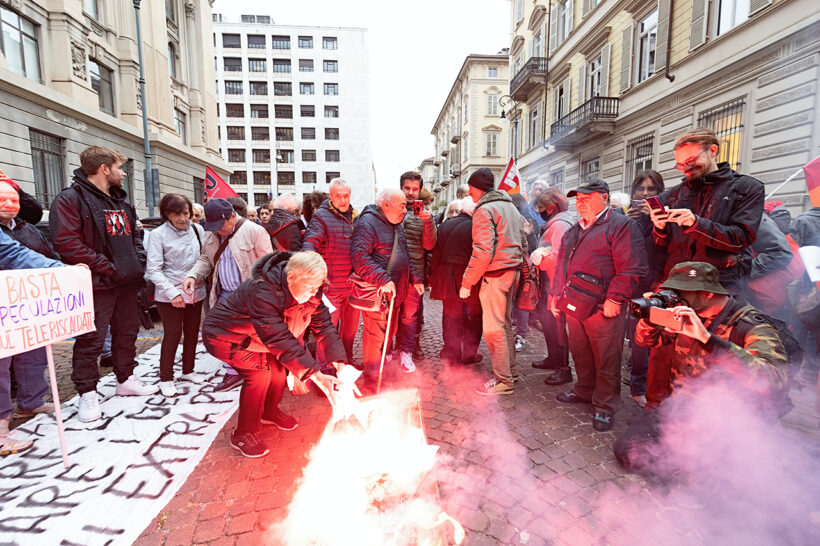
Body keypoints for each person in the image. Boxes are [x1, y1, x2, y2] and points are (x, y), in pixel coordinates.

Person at [614, 262, 789, 475]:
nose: (675, 297)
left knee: (704, 478)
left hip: (725, 420)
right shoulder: (685, 310)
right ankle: (679, 464)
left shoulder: (751, 325)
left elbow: (773, 379)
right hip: (681, 406)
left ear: (707, 294)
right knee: (628, 451)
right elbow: (645, 341)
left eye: (681, 292)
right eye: (672, 291)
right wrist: (651, 317)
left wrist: (708, 339)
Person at [202, 251, 346, 458]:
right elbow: (279, 339)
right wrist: (316, 374)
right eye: (309, 288)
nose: (314, 293)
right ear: (291, 277)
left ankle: (269, 412)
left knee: (279, 369)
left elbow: (324, 326)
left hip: (258, 338)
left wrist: (340, 363)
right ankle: (243, 433)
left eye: (317, 288)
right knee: (259, 374)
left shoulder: (311, 291)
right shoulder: (263, 291)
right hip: (226, 335)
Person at [50, 146, 156, 423]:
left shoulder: (122, 202)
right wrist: (107, 267)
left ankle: (126, 379)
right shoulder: (70, 199)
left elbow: (135, 237)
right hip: (97, 285)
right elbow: (66, 243)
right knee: (91, 341)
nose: (123, 173)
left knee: (127, 333)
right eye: (119, 167)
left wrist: (137, 262)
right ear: (104, 169)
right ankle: (87, 393)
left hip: (127, 283)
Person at [550, 179, 647, 431]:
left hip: (604, 305)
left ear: (605, 198)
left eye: (587, 198)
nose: (580, 203)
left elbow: (632, 267)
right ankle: (584, 389)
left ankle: (605, 404)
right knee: (580, 351)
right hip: (575, 301)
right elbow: (562, 265)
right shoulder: (574, 230)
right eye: (578, 199)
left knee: (606, 357)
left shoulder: (622, 225)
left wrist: (616, 298)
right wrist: (555, 294)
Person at [650, 128, 765, 294]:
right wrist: (660, 229)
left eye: (691, 160)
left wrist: (696, 224)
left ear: (712, 150)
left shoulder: (747, 188)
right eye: (680, 165)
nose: (686, 168)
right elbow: (660, 248)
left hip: (719, 287)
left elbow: (740, 239)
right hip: (676, 283)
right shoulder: (673, 194)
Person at [184, 198, 272, 392]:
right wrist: (193, 275)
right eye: (213, 226)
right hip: (224, 294)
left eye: (221, 226)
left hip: (249, 295)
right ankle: (232, 371)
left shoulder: (255, 231)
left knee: (252, 335)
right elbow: (206, 258)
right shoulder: (211, 232)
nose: (218, 231)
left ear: (232, 216)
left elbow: (267, 266)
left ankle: (258, 371)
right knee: (225, 335)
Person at [460, 168, 527, 395]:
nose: (469, 192)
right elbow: (523, 242)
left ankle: (503, 380)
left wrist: (467, 282)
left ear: (479, 188)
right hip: (512, 272)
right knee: (505, 325)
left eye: (471, 188)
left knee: (493, 330)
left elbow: (482, 251)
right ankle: (510, 372)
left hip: (496, 275)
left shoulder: (484, 210)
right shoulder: (511, 207)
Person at [0, 180, 59, 422]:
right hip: (4, 305)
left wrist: (61, 267)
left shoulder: (27, 227)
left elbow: (46, 251)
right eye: (2, 199)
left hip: (29, 303)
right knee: (2, 362)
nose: (9, 204)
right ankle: (2, 421)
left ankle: (31, 402)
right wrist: (62, 269)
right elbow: (15, 254)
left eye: (14, 200)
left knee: (35, 352)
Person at [351, 188, 423, 386]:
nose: (405, 210)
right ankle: (372, 381)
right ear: (386, 205)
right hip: (378, 293)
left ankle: (381, 372)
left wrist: (415, 278)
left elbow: (404, 254)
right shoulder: (367, 223)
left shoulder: (396, 223)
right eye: (402, 206)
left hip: (395, 292)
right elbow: (359, 257)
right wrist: (382, 279)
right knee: (375, 338)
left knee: (388, 334)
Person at [146, 194, 207, 397]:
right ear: (167, 214)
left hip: (195, 291)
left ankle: (188, 370)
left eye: (186, 213)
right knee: (172, 335)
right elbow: (153, 269)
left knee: (192, 333)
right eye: (176, 214)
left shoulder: (197, 230)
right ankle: (166, 377)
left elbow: (203, 258)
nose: (182, 219)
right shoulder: (158, 235)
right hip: (169, 293)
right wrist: (173, 293)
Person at [302, 178, 360, 362]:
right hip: (330, 288)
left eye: (346, 196)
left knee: (349, 331)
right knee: (327, 332)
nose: (343, 200)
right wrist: (316, 275)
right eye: (338, 196)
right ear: (330, 196)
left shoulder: (356, 217)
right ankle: (325, 368)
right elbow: (309, 245)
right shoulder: (321, 217)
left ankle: (346, 363)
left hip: (352, 287)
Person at [624, 170, 666, 406]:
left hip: (659, 282)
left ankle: (655, 384)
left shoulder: (665, 215)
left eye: (651, 189)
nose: (645, 194)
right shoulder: (627, 217)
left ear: (660, 192)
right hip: (635, 286)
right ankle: (638, 385)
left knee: (658, 339)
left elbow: (663, 247)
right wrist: (627, 222)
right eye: (641, 189)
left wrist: (655, 221)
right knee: (638, 337)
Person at [430, 196, 482, 366]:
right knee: (474, 317)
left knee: (450, 316)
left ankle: (452, 354)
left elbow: (436, 255)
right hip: (468, 277)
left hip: (447, 277)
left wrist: (433, 278)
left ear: (461, 210)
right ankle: (469, 354)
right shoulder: (476, 226)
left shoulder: (445, 225)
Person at [529, 188, 573, 379]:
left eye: (542, 208)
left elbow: (558, 258)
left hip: (555, 282)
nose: (540, 212)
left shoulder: (560, 224)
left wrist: (540, 260)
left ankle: (563, 368)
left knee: (557, 326)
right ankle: (553, 358)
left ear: (551, 207)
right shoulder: (557, 223)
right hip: (550, 281)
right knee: (548, 323)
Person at [397, 171, 437, 371]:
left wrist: (428, 223)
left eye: (415, 189)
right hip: (394, 271)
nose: (411, 193)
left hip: (416, 273)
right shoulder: (392, 208)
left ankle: (408, 349)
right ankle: (394, 349)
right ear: (401, 188)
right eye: (407, 188)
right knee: (392, 313)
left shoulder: (425, 216)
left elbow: (430, 246)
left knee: (411, 314)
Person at [510, 192, 538, 353]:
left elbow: (534, 248)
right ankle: (515, 333)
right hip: (510, 267)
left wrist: (530, 233)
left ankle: (520, 334)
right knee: (513, 303)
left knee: (522, 302)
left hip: (524, 270)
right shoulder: (506, 220)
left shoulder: (528, 221)